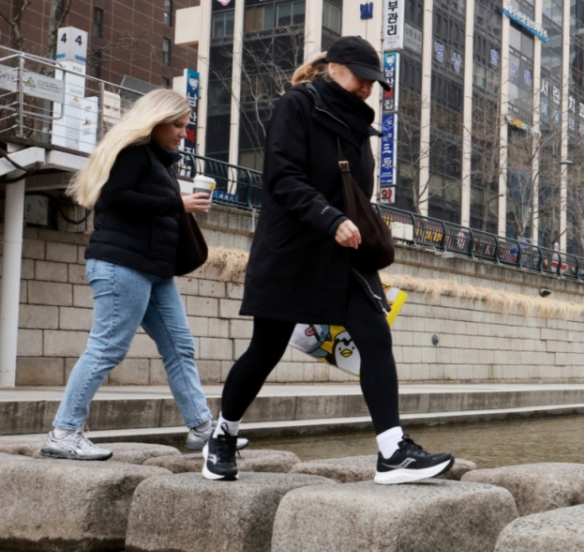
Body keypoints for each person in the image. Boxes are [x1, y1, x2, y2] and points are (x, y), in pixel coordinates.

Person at [207, 36, 454, 483]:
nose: (368, 89)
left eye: (374, 83)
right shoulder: (296, 105)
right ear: (336, 68)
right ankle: (222, 435)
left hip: (343, 252)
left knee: (375, 335)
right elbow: (282, 177)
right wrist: (328, 217)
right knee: (266, 348)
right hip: (292, 248)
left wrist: (349, 221)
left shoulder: (359, 125)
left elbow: (353, 189)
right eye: (363, 79)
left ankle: (392, 451)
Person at [41, 89, 230, 459]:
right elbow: (115, 198)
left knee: (180, 347)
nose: (182, 133)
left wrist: (176, 202)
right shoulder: (134, 153)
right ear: (154, 120)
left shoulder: (158, 162)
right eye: (177, 125)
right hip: (121, 265)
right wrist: (179, 203)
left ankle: (203, 430)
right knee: (107, 348)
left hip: (153, 270)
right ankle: (63, 433)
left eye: (185, 126)